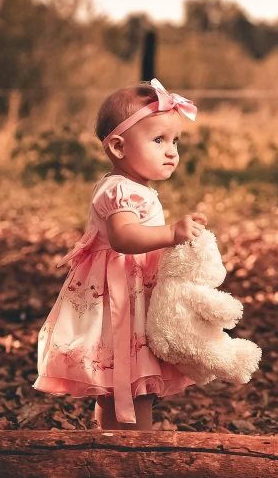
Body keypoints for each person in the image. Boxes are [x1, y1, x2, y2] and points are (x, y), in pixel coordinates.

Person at [32, 78, 208, 430]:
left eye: (175, 140)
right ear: (118, 146)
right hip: (118, 299)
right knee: (130, 382)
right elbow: (124, 238)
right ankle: (131, 451)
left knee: (122, 384)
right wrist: (170, 234)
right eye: (158, 140)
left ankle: (111, 442)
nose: (172, 151)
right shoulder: (119, 191)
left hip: (130, 292)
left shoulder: (131, 187)